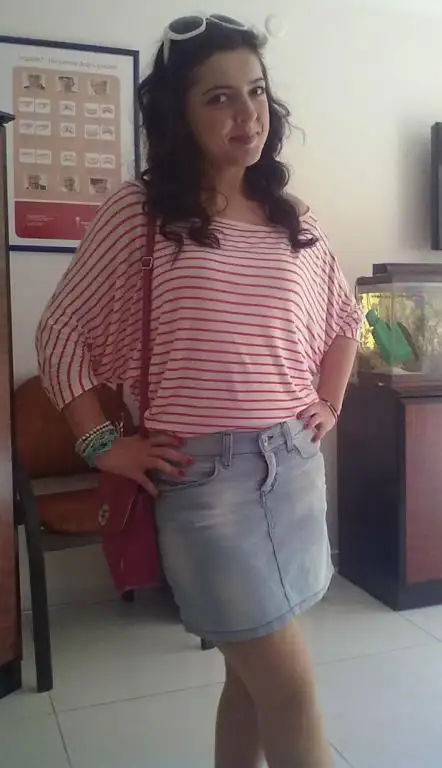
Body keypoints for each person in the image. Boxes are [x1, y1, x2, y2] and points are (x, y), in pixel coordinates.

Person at [36, 14, 361, 768]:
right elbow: (59, 332)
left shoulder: (292, 218)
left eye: (256, 91)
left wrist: (330, 402)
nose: (247, 114)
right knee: (291, 689)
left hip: (295, 466)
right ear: (179, 113)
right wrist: (102, 445)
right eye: (219, 97)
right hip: (206, 480)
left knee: (247, 680)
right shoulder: (143, 212)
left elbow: (346, 319)